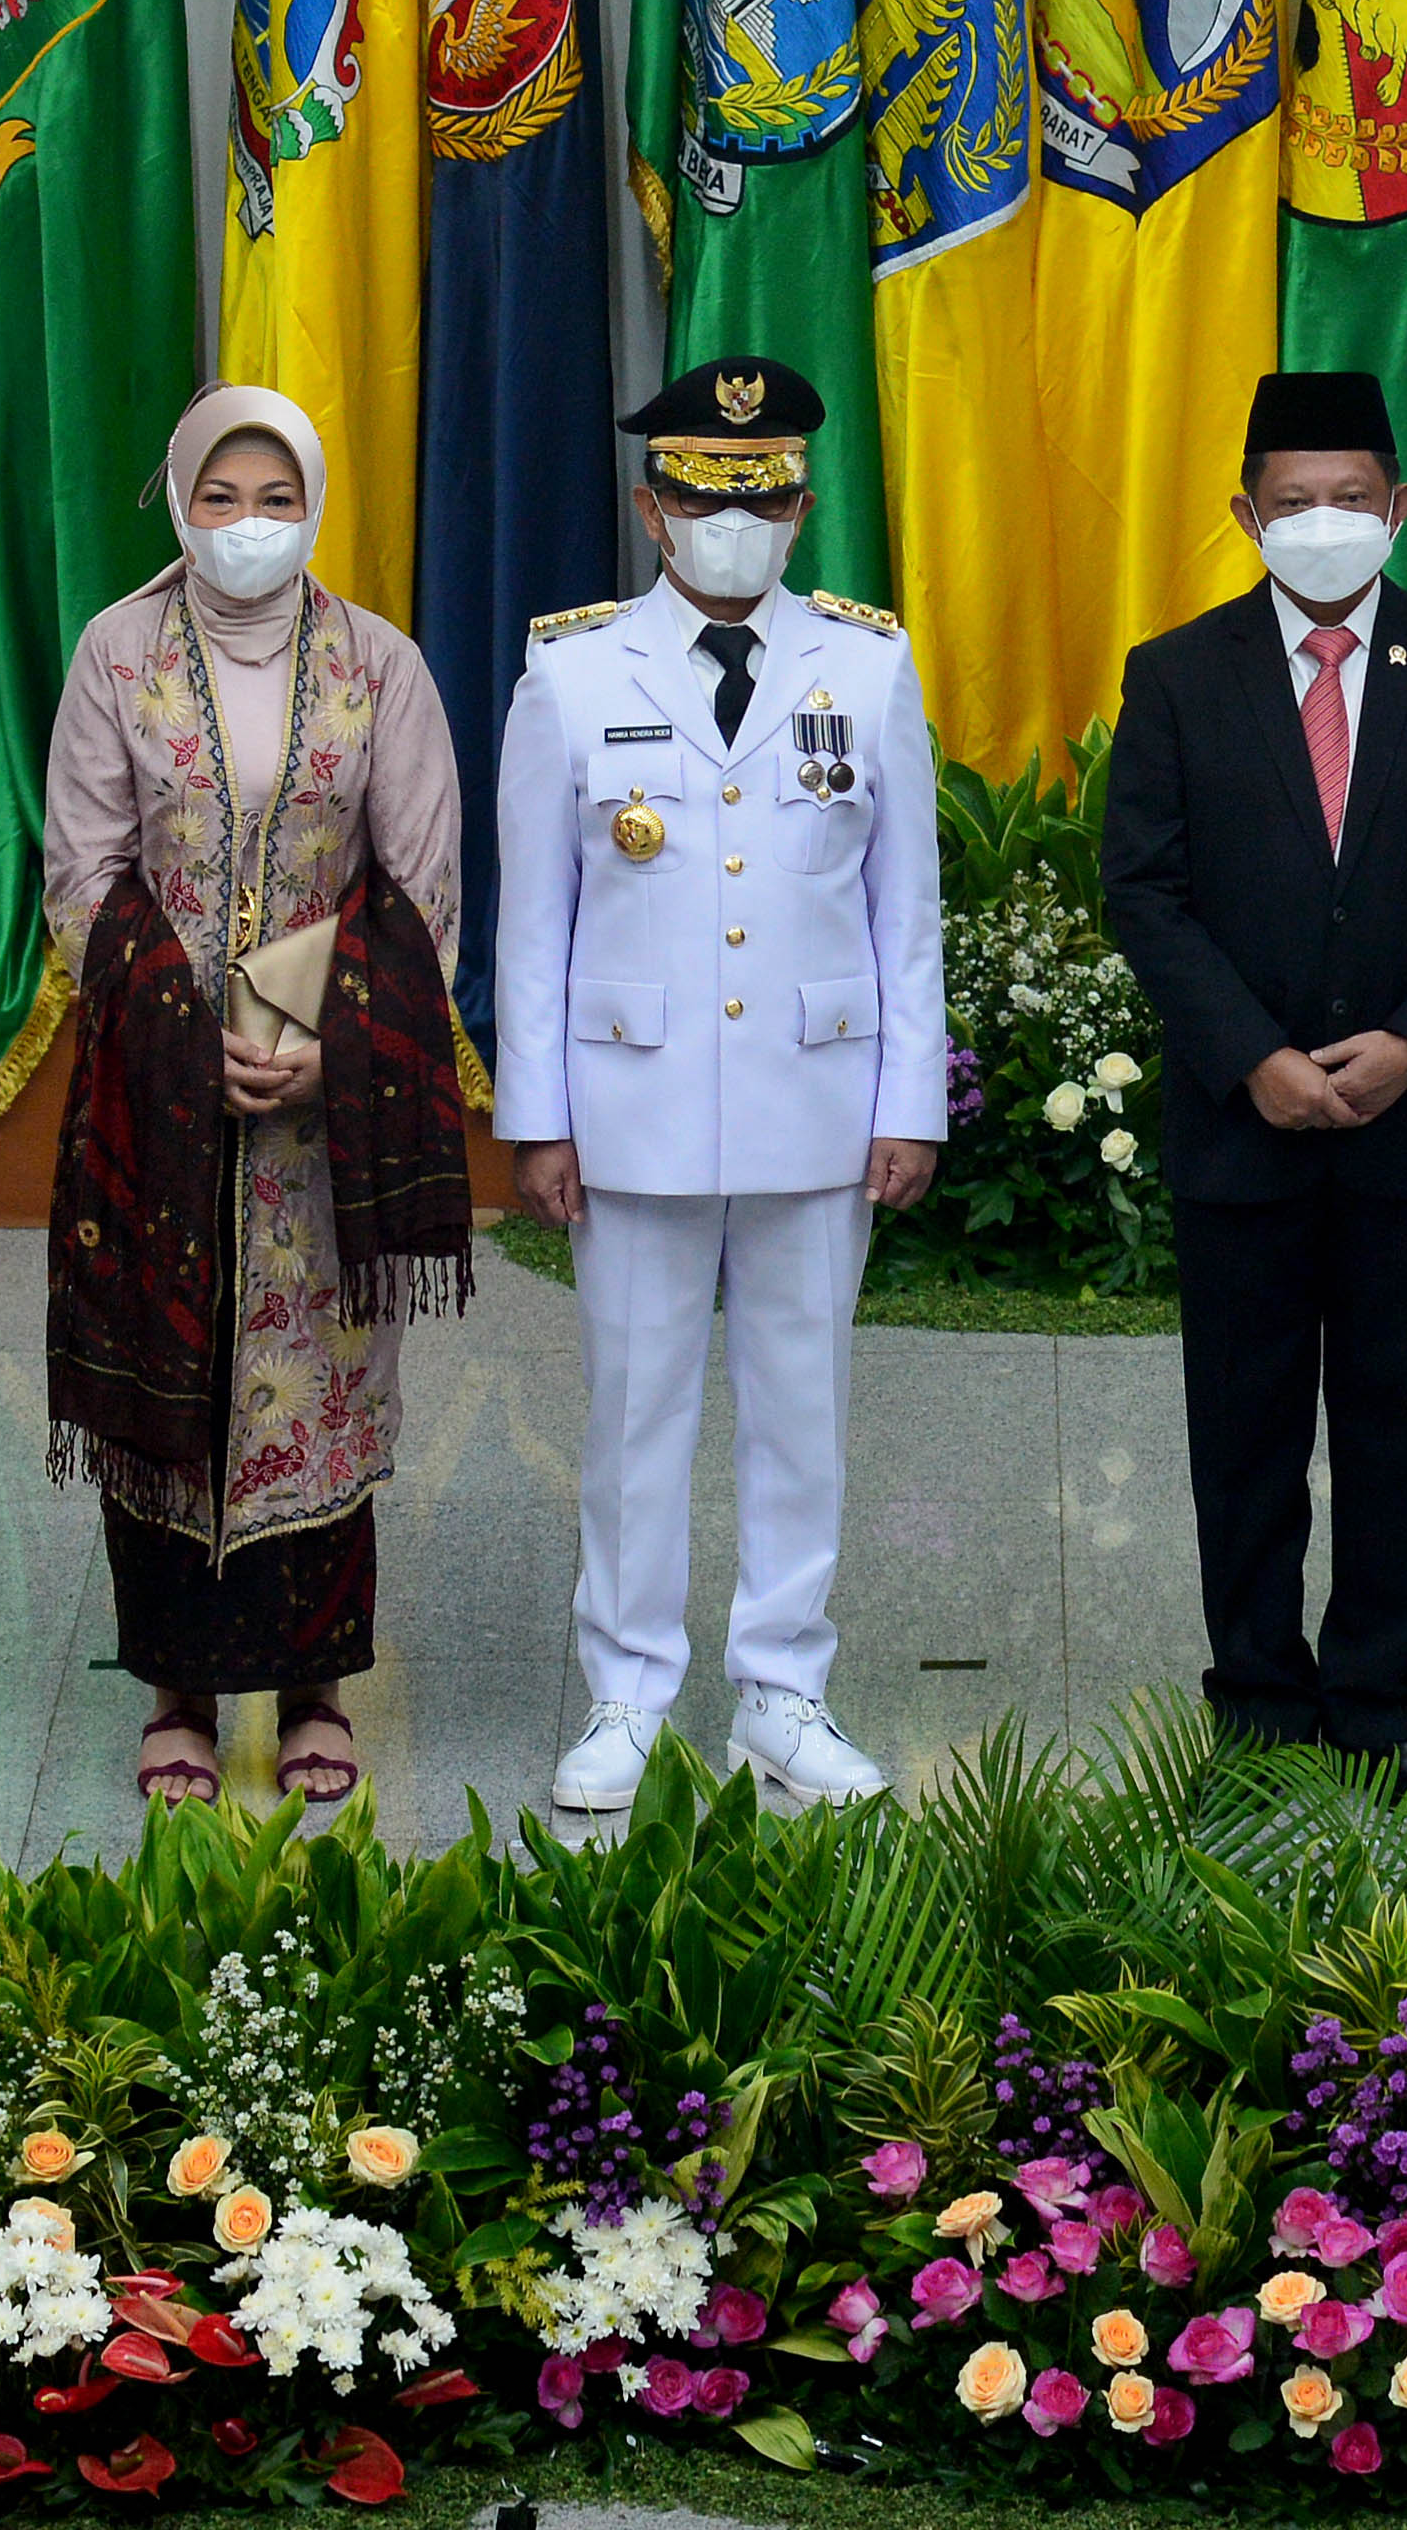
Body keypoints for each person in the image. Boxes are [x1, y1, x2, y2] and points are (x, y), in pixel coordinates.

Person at [1101, 367, 1407, 1792]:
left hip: (1406, 1128)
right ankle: (1252, 1703)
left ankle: (1377, 1703)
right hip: (1242, 1131)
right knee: (1241, 1431)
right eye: (1291, 504)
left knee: (1393, 1425)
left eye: (1349, 501)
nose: (1322, 526)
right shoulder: (1176, 675)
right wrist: (1253, 1060)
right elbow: (1144, 893)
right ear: (1244, 512)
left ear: (1399, 507)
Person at [495, 357, 941, 1815]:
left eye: (759, 502)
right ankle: (627, 1690)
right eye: (700, 500)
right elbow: (533, 919)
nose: (730, 527)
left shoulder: (868, 667)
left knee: (801, 1410)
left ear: (802, 508)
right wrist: (538, 1117)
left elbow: (905, 909)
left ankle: (782, 1693)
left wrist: (909, 1102)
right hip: (631, 1109)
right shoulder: (570, 672)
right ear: (652, 509)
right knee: (633, 1411)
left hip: (817, 1100)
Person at [42, 389, 477, 1812]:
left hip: (321, 1111)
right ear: (178, 500)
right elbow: (83, 872)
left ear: (315, 503)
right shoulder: (117, 654)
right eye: (219, 498)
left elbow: (416, 886)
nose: (246, 526)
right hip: (154, 1099)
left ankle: (315, 1691)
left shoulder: (381, 668)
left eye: (273, 497)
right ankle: (173, 1689)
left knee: (321, 1386)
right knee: (170, 1370)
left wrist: (312, 1036)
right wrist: (187, 1032)